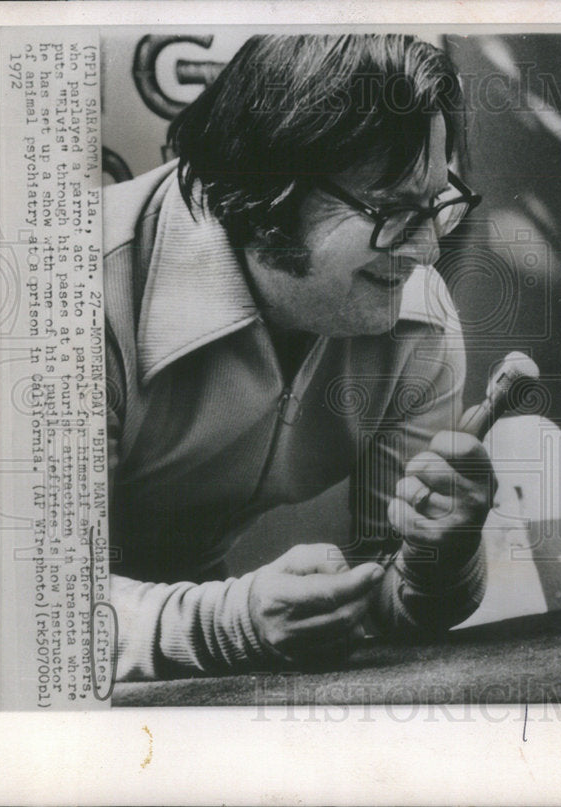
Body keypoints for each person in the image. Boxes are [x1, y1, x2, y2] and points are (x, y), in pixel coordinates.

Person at [103, 34, 494, 681]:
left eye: (435, 203)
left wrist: (437, 559)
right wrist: (227, 622)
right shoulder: (72, 293)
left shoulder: (415, 319)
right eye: (393, 210)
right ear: (268, 191)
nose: (426, 250)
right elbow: (30, 615)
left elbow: (388, 605)